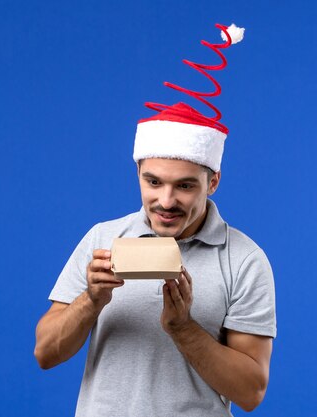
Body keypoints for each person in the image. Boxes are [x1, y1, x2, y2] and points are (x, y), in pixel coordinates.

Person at [34, 23, 276, 417]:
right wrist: (92, 300)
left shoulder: (244, 260)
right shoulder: (104, 238)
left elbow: (250, 392)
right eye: (153, 182)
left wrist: (182, 327)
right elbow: (45, 353)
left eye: (184, 186)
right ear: (139, 176)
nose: (166, 201)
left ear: (212, 181)